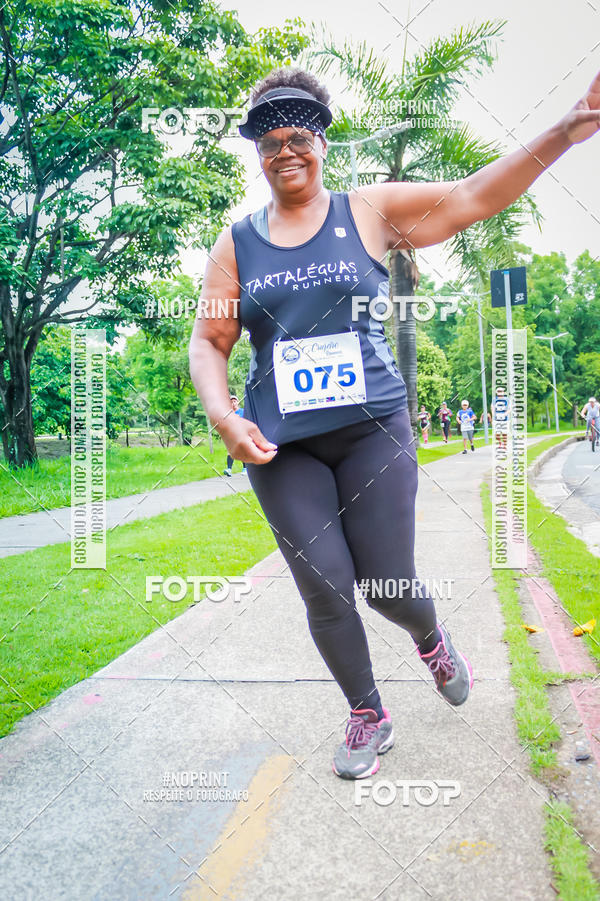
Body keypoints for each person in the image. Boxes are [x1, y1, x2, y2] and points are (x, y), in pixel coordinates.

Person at [189, 66, 600, 780]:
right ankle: (367, 712)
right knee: (323, 582)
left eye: (299, 135)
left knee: (387, 585)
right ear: (256, 152)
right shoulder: (237, 245)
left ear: (321, 140)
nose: (286, 151)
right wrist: (223, 414)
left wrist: (568, 126)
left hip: (370, 429)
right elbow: (209, 341)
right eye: (269, 140)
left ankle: (432, 636)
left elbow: (472, 196)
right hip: (281, 445)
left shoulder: (368, 211)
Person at [222, 395, 248, 475]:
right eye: (231, 402)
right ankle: (229, 469)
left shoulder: (243, 411)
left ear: (238, 402)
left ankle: (245, 469)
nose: (233, 403)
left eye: (234, 401)